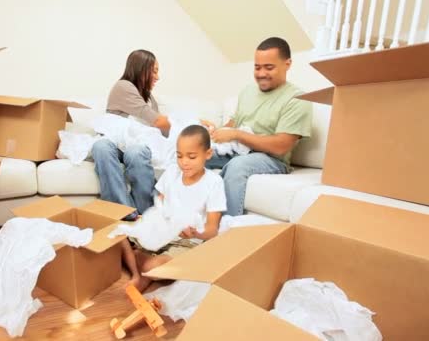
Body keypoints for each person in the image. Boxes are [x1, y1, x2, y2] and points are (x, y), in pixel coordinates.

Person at [202, 37, 312, 216]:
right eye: (257, 67)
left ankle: (228, 232)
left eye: (269, 67)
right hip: (239, 150)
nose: (261, 73)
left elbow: (281, 146)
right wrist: (216, 132)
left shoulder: (297, 99)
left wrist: (237, 135)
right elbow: (233, 125)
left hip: (271, 159)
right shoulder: (247, 91)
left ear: (287, 64)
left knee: (238, 166)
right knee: (193, 154)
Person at [122, 125, 226, 291]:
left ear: (208, 154)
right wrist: (148, 220)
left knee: (155, 267)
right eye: (179, 156)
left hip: (186, 243)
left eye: (191, 157)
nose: (184, 162)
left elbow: (212, 230)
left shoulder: (214, 183)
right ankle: (139, 273)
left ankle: (141, 266)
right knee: (116, 236)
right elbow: (160, 206)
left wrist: (196, 233)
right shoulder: (172, 172)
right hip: (162, 234)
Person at [92, 49, 171, 221]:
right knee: (100, 147)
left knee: (136, 152)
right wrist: (184, 122)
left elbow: (160, 131)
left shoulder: (150, 98)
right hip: (116, 143)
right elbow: (158, 122)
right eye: (154, 71)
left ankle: (146, 214)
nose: (158, 77)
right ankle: (126, 213)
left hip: (136, 146)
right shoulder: (124, 86)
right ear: (141, 69)